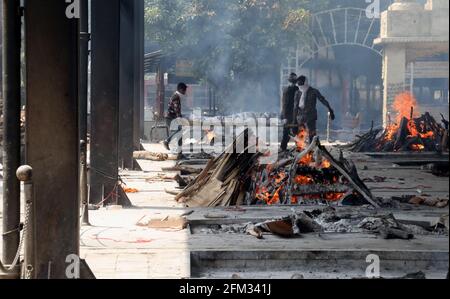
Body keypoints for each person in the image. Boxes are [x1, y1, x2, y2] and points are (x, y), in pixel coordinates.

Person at [293, 76, 335, 143]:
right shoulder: (297, 92)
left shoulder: (313, 91)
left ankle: (311, 148)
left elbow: (322, 100)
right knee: (300, 133)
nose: (299, 84)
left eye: (300, 82)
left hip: (310, 115)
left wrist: (330, 109)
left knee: (311, 133)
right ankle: (300, 150)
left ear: (305, 82)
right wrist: (294, 120)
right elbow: (295, 106)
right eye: (298, 82)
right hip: (300, 116)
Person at [163, 83, 188, 150]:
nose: (185, 92)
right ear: (180, 89)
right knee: (179, 130)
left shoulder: (177, 96)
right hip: (171, 118)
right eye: (184, 90)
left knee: (180, 133)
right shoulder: (176, 97)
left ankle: (179, 152)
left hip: (173, 118)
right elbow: (176, 109)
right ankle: (167, 141)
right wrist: (180, 118)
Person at [280, 73, 300, 151]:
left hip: (293, 115)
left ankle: (299, 148)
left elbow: (298, 103)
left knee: (295, 132)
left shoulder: (295, 89)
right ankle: (283, 148)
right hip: (289, 115)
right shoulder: (288, 90)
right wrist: (285, 117)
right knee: (287, 133)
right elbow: (285, 104)